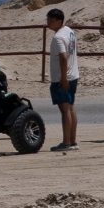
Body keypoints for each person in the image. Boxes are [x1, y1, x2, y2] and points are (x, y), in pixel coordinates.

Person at [43, 9, 79, 151]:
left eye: (51, 20)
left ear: (58, 20)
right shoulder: (69, 31)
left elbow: (63, 57)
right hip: (73, 74)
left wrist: (63, 78)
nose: (48, 23)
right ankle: (72, 140)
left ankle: (66, 142)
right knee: (70, 107)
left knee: (65, 110)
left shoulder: (58, 37)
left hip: (63, 77)